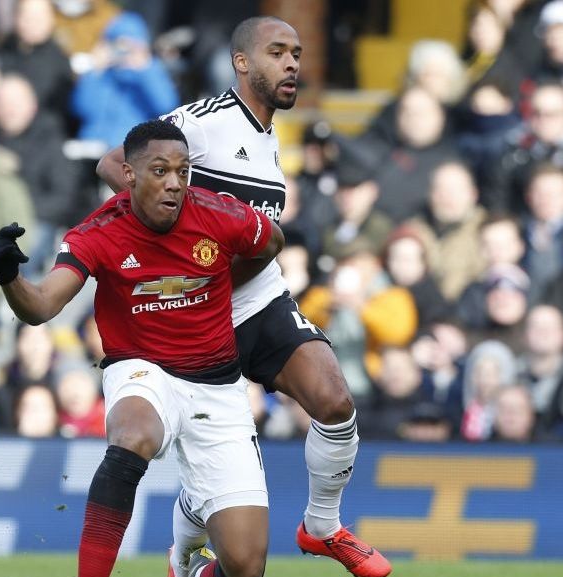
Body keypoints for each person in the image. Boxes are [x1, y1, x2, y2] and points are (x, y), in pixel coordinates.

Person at [95, 17, 391, 577]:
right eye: (277, 52)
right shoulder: (204, 122)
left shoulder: (272, 136)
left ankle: (322, 526)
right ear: (241, 62)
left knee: (335, 401)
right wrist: (176, 241)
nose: (291, 64)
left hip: (259, 297)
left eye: (297, 53)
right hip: (197, 312)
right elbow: (115, 164)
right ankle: (187, 542)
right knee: (231, 519)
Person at [0, 120, 284, 577]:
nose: (174, 184)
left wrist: (227, 284)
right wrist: (9, 277)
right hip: (143, 369)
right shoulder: (99, 231)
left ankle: (192, 544)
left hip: (218, 388)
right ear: (128, 175)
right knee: (133, 436)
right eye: (160, 170)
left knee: (247, 567)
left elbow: (272, 242)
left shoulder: (219, 214)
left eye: (183, 172)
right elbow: (41, 306)